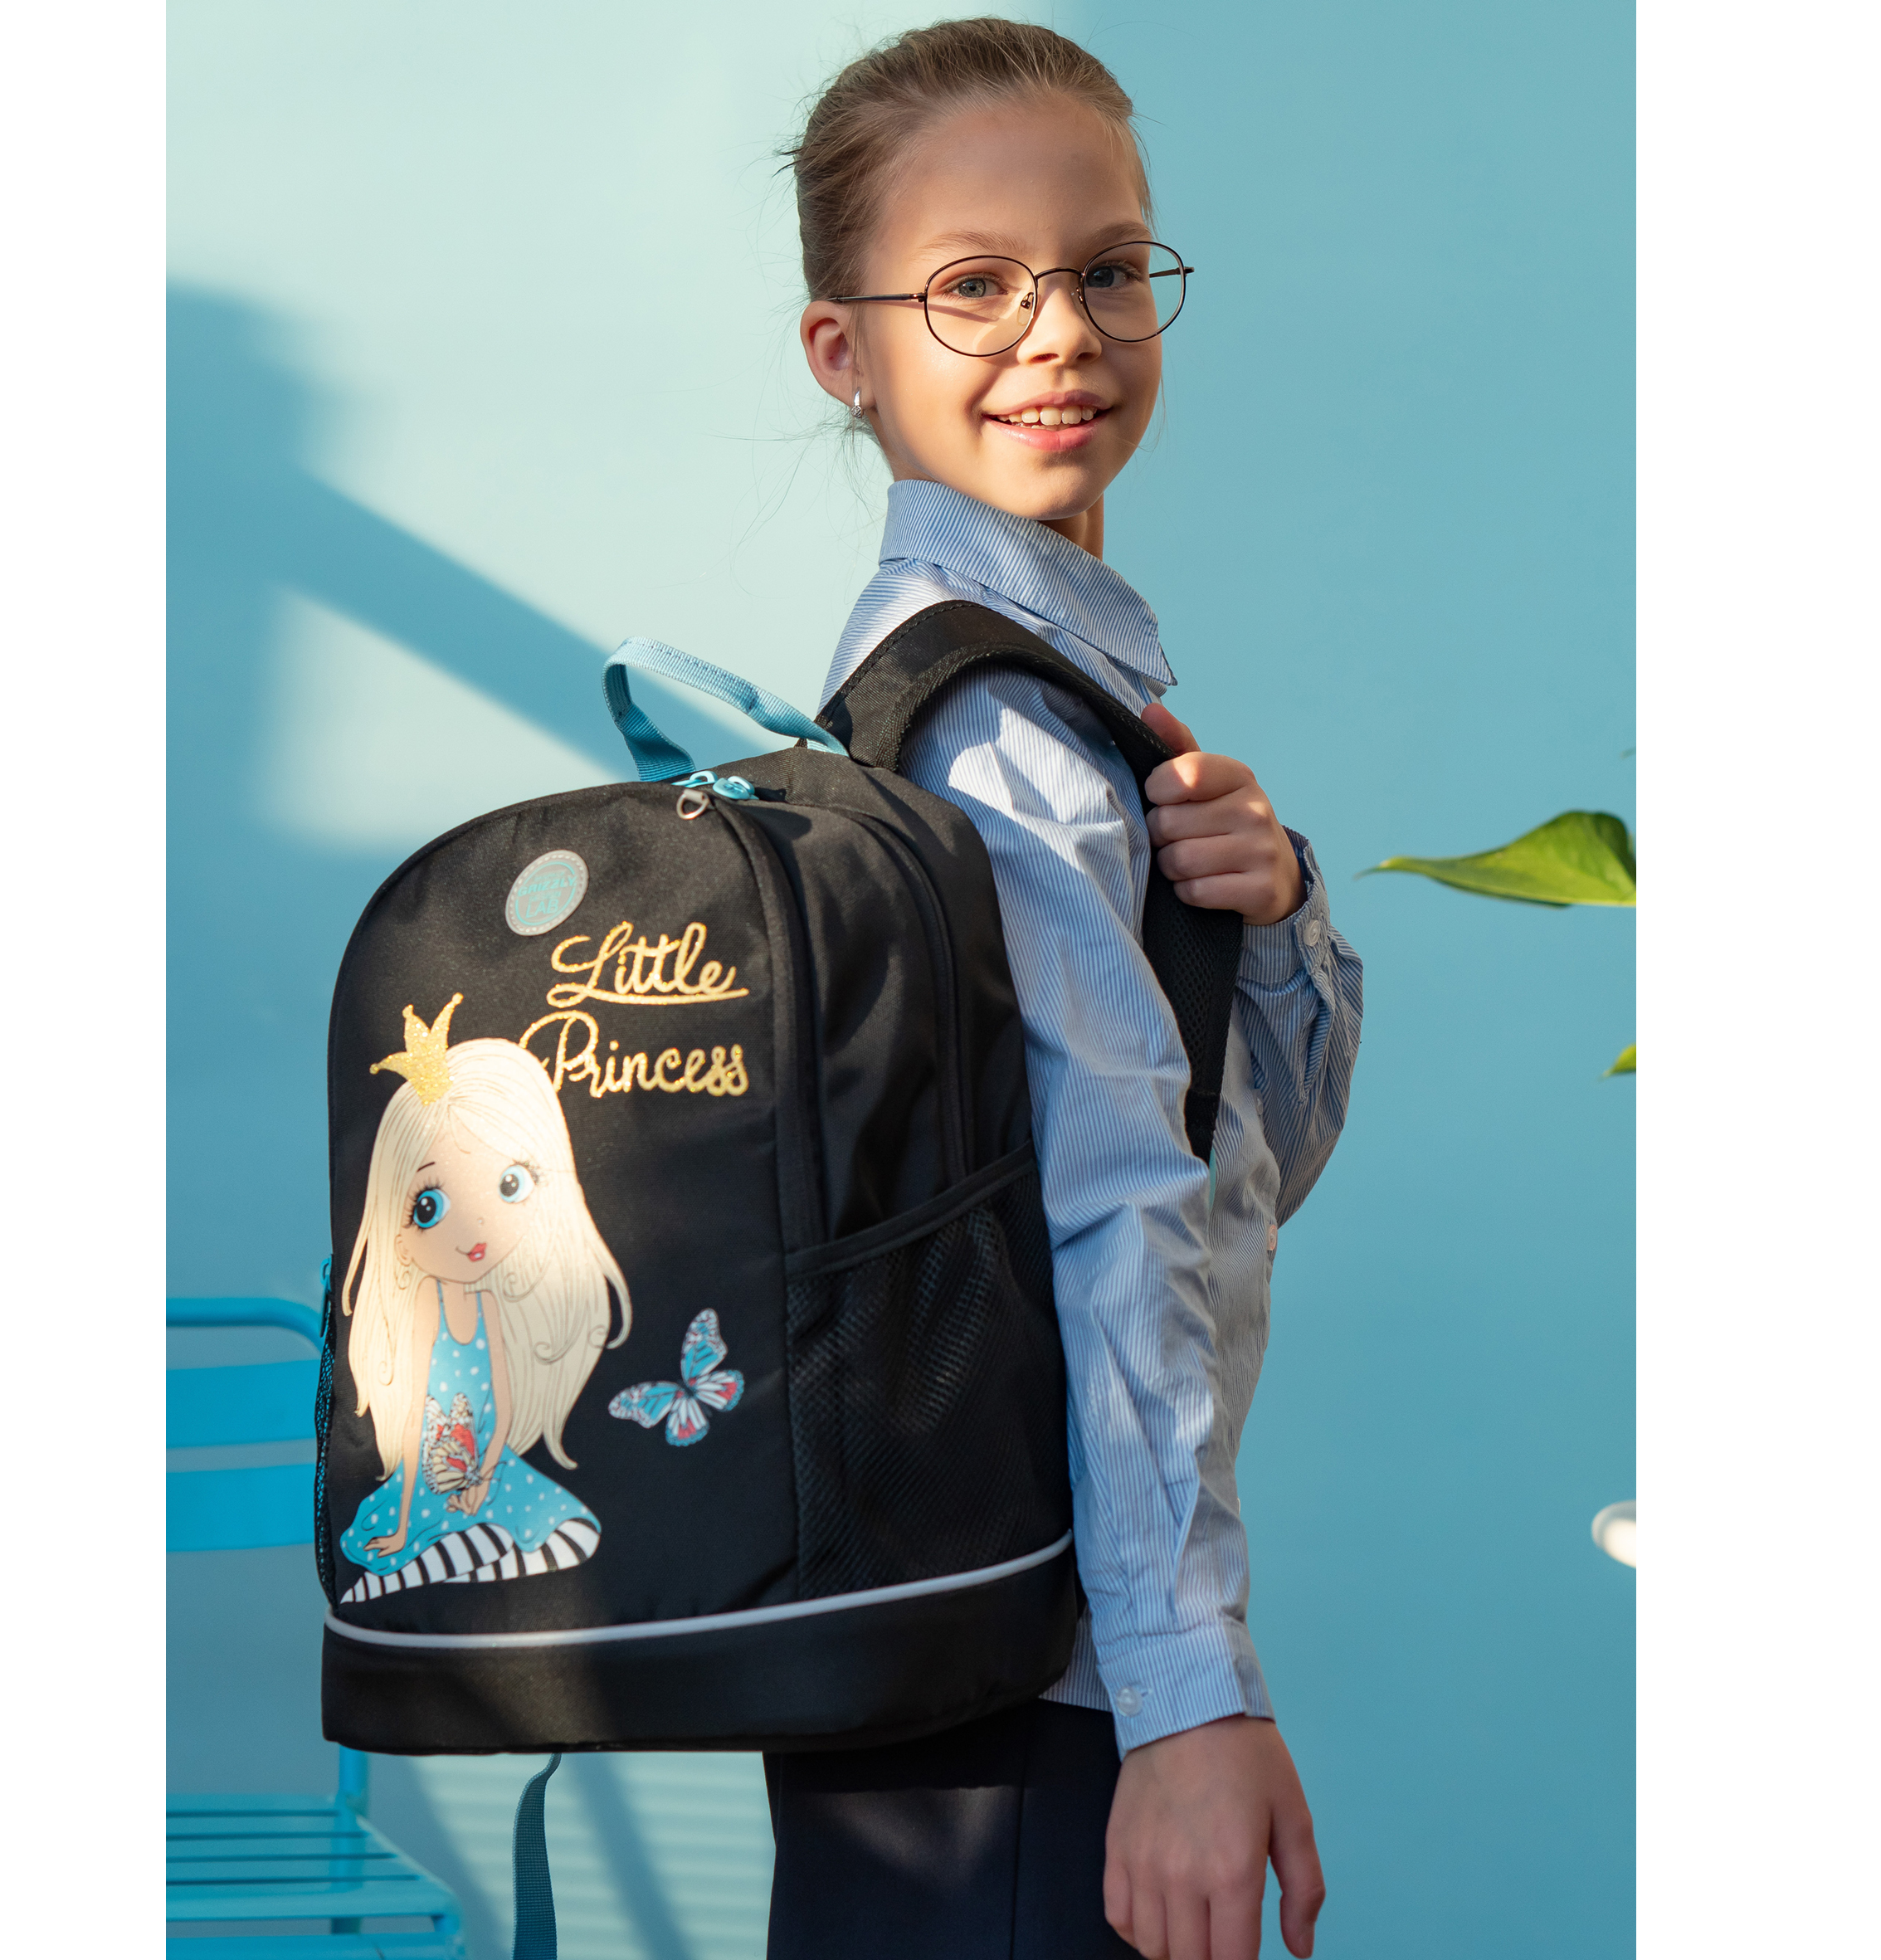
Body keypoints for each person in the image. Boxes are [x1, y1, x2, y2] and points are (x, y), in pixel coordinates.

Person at [766, 20, 1364, 1960]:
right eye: (972, 286)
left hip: (940, 1645)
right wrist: (1185, 1700)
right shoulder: (999, 734)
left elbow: (1229, 1174)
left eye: (1107, 268)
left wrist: (1264, 918)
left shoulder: (1003, 693)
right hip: (1039, 1679)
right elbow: (1121, 1216)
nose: (1062, 334)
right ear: (841, 349)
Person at [337, 994, 632, 1603]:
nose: (473, 1228)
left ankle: (455, 1560)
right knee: (401, 1570)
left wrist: (487, 1473)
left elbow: (501, 1400)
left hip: (487, 1472)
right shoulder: (426, 1305)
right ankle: (444, 1557)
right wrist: (405, 1517)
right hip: (430, 1478)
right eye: (428, 1206)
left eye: (510, 1184)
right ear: (398, 1231)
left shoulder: (490, 1306)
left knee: (574, 1534)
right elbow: (413, 1414)